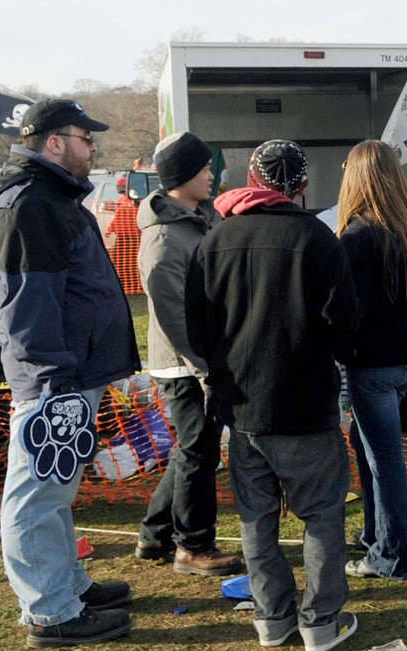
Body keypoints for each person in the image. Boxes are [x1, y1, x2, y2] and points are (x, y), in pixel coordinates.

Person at [0, 98, 140, 647]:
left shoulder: (50, 198)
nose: (94, 149)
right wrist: (54, 381)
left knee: (55, 491)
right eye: (87, 139)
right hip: (56, 377)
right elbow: (28, 305)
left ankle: (67, 588)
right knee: (36, 495)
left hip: (71, 371)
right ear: (54, 142)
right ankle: (49, 612)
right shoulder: (29, 205)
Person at [186, 139, 360, 651]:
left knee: (257, 519)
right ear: (302, 186)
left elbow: (197, 329)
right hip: (304, 404)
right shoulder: (318, 239)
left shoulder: (214, 241)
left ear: (250, 179)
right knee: (322, 516)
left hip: (242, 408)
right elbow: (344, 324)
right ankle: (319, 622)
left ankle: (272, 618)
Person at [134, 132, 243, 577]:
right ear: (181, 177)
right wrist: (204, 367)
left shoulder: (202, 218)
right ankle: (193, 547)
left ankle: (154, 535)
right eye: (203, 168)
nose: (212, 175)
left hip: (201, 358)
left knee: (191, 449)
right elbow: (172, 314)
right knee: (199, 452)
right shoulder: (163, 240)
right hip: (184, 365)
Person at [335, 140, 407, 581]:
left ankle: (393, 556)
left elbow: (344, 311)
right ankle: (376, 534)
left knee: (384, 460)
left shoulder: (356, 239)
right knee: (370, 450)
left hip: (373, 367)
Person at [106, 176, 143, 294]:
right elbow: (118, 217)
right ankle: (123, 285)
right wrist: (110, 229)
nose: (122, 191)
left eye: (123, 188)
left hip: (135, 237)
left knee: (133, 262)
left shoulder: (139, 201)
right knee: (120, 261)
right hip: (121, 237)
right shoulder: (121, 200)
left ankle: (136, 286)